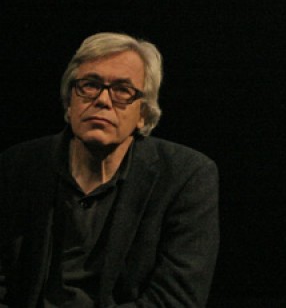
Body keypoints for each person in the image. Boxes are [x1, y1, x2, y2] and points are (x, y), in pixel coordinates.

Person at [0, 32, 219, 307]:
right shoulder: (17, 166)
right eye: (89, 85)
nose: (103, 100)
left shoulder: (187, 176)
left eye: (122, 90)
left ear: (143, 113)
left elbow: (176, 298)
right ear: (70, 102)